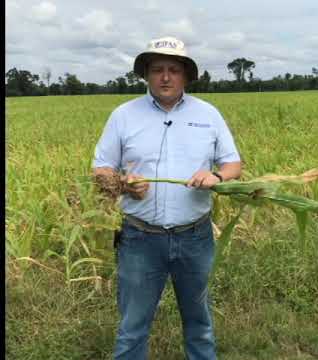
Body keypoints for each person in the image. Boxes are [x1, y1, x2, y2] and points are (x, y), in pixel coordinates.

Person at [92, 36, 242, 360]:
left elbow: (233, 164)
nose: (165, 77)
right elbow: (100, 170)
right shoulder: (123, 115)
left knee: (199, 324)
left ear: (185, 75)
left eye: (173, 69)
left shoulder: (209, 114)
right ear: (146, 74)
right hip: (140, 238)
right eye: (157, 69)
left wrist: (216, 177)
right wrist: (121, 183)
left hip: (196, 237)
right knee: (132, 327)